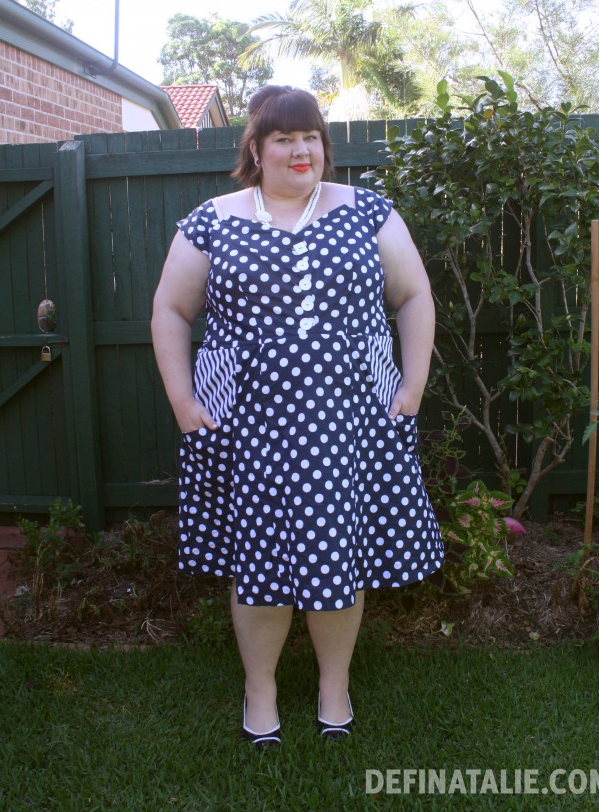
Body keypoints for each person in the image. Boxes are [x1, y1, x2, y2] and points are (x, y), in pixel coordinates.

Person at [151, 85, 443, 748]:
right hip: (246, 428)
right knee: (259, 563)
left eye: (310, 136)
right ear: (256, 149)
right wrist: (182, 401)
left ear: (324, 146)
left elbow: (414, 293)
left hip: (351, 425)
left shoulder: (367, 213)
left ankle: (333, 684)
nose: (299, 148)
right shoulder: (213, 220)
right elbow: (170, 309)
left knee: (339, 556)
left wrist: (413, 385)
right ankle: (261, 689)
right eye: (283, 137)